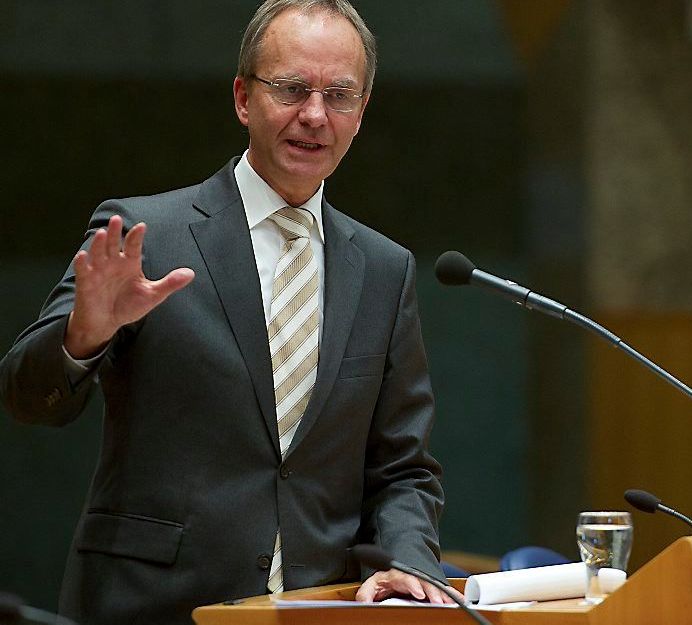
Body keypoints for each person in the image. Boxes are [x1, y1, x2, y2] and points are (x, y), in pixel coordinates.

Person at [0, 1, 451, 623]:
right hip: (153, 604)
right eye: (292, 89)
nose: (314, 116)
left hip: (314, 607)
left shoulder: (383, 268)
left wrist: (410, 560)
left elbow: (402, 466)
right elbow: (26, 395)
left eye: (339, 95)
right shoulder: (145, 235)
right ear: (243, 99)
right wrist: (85, 335)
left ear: (361, 112)